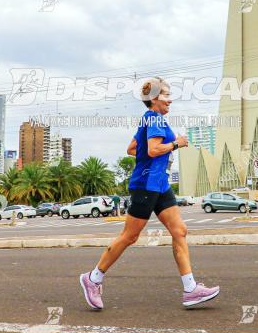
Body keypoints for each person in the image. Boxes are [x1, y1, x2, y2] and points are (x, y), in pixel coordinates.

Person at [79, 77, 220, 309]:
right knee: (130, 236)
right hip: (146, 184)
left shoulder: (151, 120)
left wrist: (150, 156)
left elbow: (133, 148)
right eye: (166, 95)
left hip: (160, 184)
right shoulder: (154, 119)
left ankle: (190, 289)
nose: (170, 99)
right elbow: (154, 149)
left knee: (180, 231)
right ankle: (93, 278)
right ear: (154, 99)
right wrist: (177, 144)